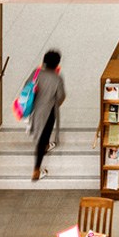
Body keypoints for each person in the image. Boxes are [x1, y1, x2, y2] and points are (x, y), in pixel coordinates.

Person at [28, 49, 66, 182]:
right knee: (43, 137)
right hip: (49, 111)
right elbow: (61, 96)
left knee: (41, 135)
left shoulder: (36, 73)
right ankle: (37, 169)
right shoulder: (57, 78)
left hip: (37, 110)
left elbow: (27, 87)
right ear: (57, 64)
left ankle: (45, 147)